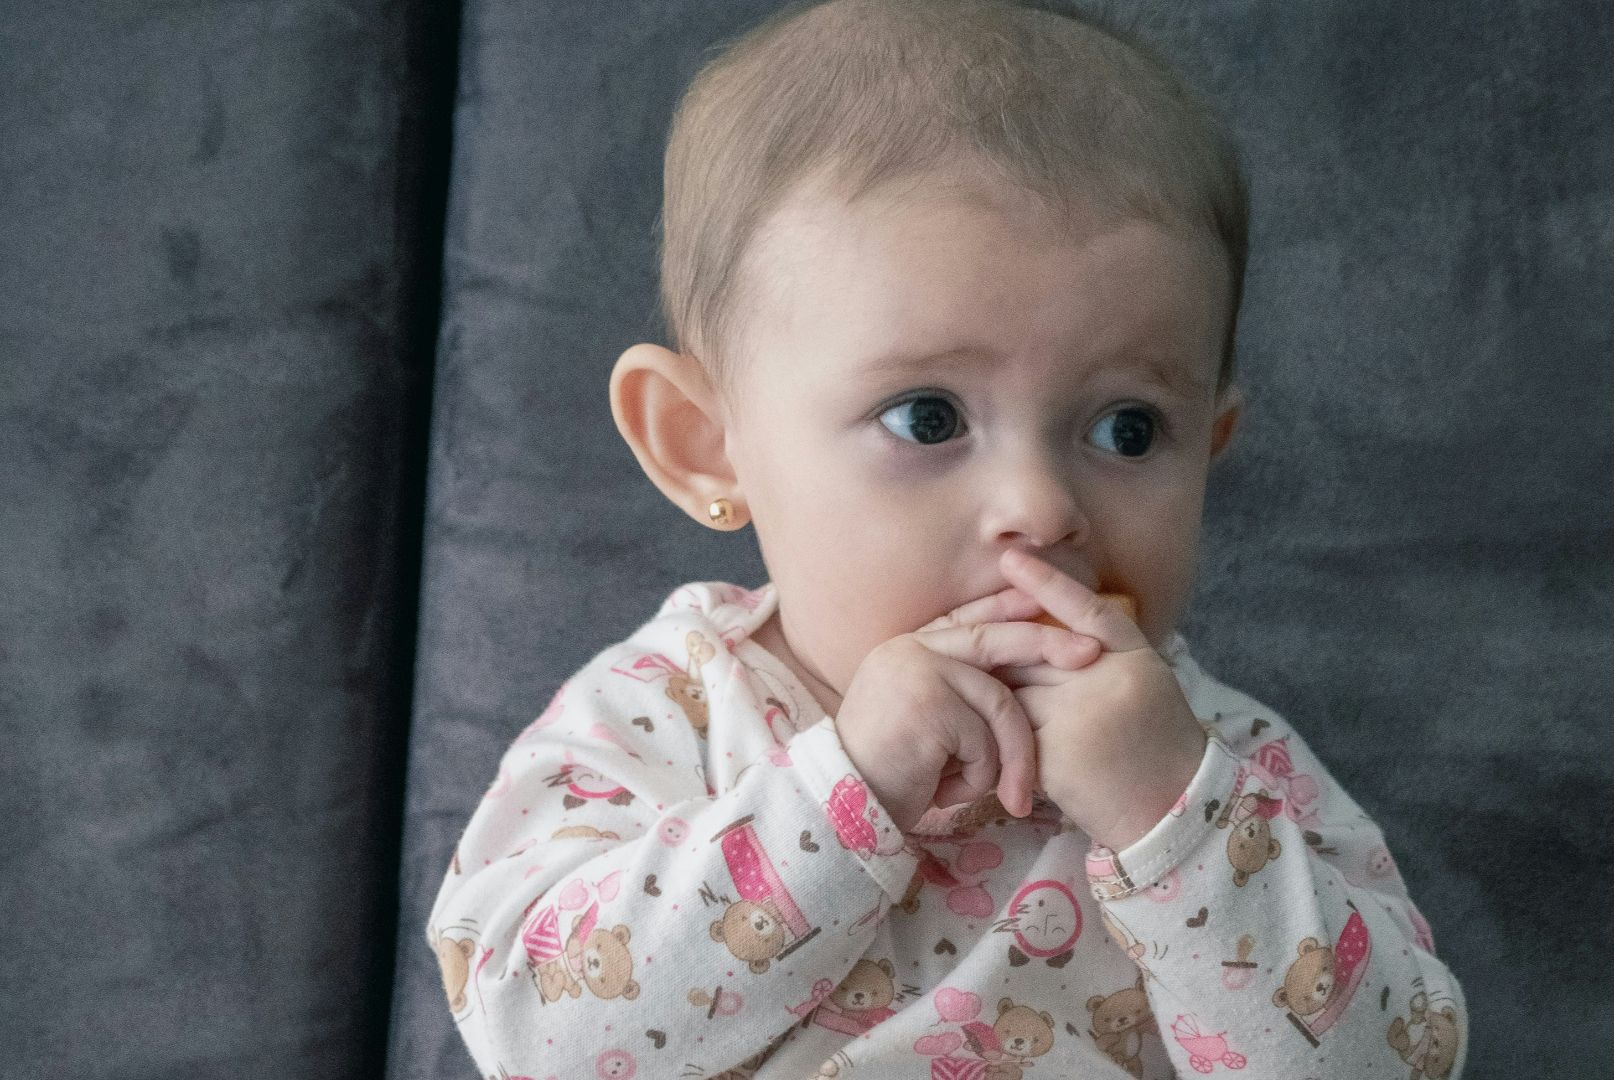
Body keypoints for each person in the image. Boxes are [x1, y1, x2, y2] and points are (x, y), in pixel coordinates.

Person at [425, 1, 1468, 1076]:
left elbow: (1403, 1061)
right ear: (706, 444)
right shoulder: (667, 716)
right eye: (928, 417)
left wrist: (1174, 823)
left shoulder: (1219, 766)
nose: (1042, 507)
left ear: (1210, 448)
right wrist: (848, 790)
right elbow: (531, 1031)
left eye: (1128, 429)